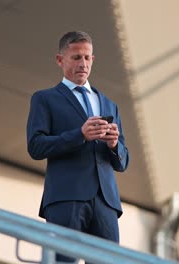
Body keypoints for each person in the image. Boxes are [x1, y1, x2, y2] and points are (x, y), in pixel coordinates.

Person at [26, 31, 129, 262]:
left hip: (106, 202)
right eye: (75, 58)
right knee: (63, 261)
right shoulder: (44, 99)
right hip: (65, 197)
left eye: (86, 57)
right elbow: (35, 146)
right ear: (60, 60)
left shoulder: (110, 105)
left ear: (93, 60)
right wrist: (79, 135)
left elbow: (123, 160)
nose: (82, 64)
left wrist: (114, 145)